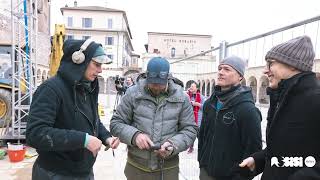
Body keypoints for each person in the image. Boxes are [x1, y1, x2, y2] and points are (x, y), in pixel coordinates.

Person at [26, 39, 120, 180]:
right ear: (79, 60)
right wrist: (84, 140)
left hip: (83, 171)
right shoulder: (50, 89)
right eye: (96, 64)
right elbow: (36, 133)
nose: (100, 70)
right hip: (55, 174)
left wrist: (106, 137)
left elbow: (93, 119)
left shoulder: (87, 88)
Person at [239, 35, 320, 180]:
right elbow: (286, 150)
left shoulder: (315, 100)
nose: (265, 70)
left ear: (293, 64)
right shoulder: (281, 97)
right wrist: (259, 160)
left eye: (270, 63)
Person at [110, 57, 198, 180]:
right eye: (152, 83)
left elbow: (190, 129)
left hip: (167, 170)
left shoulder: (182, 98)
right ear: (146, 77)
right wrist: (135, 136)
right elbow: (116, 123)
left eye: (160, 84)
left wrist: (173, 145)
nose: (156, 87)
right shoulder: (132, 94)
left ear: (168, 78)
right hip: (136, 168)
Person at [198, 55, 262, 180]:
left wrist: (240, 176)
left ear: (240, 77)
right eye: (220, 68)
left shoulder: (247, 110)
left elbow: (253, 150)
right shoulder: (209, 104)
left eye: (227, 69)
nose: (221, 72)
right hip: (206, 172)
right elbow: (202, 137)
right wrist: (202, 162)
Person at [187, 82, 205, 153]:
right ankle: (191, 148)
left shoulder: (201, 97)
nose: (191, 87)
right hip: (190, 119)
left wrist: (197, 104)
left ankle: (201, 148)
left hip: (198, 120)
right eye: (190, 86)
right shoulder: (188, 96)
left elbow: (206, 107)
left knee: (199, 136)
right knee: (191, 135)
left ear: (196, 88)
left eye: (192, 86)